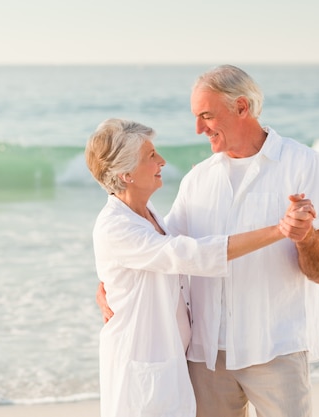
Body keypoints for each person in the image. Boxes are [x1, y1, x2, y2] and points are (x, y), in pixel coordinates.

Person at [97, 65, 319, 417]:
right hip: (207, 356)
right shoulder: (199, 179)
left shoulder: (303, 165)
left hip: (275, 348)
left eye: (206, 116)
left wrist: (303, 239)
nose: (198, 129)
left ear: (241, 107)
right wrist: (108, 280)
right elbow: (168, 251)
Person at [85, 118, 297, 417]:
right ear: (126, 174)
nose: (162, 160)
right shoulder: (116, 227)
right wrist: (278, 231)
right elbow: (189, 254)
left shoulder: (147, 215)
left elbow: (157, 255)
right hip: (141, 369)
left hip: (170, 365)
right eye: (151, 156)